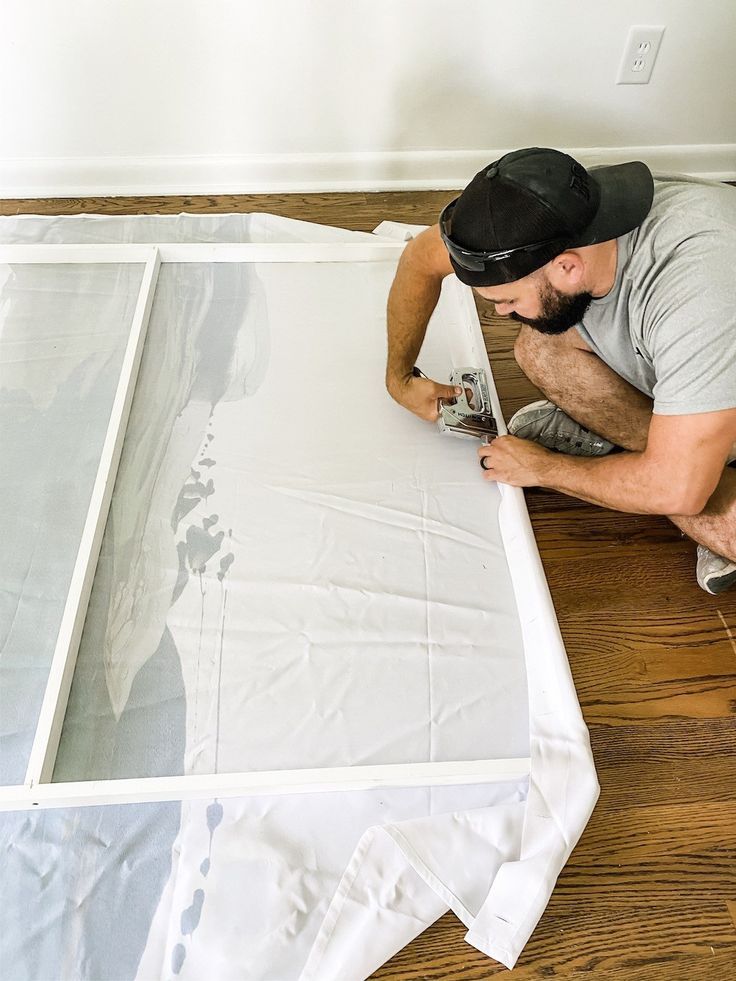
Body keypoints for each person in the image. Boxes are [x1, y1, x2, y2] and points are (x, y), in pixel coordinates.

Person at [385, 147, 736, 594]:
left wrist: (545, 469)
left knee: (700, 504)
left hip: (715, 341)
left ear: (567, 267)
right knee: (540, 349)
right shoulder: (545, 218)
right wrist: (400, 379)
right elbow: (420, 258)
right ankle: (683, 456)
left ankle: (682, 465)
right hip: (707, 369)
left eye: (506, 300)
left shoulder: (698, 290)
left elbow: (678, 492)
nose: (501, 313)